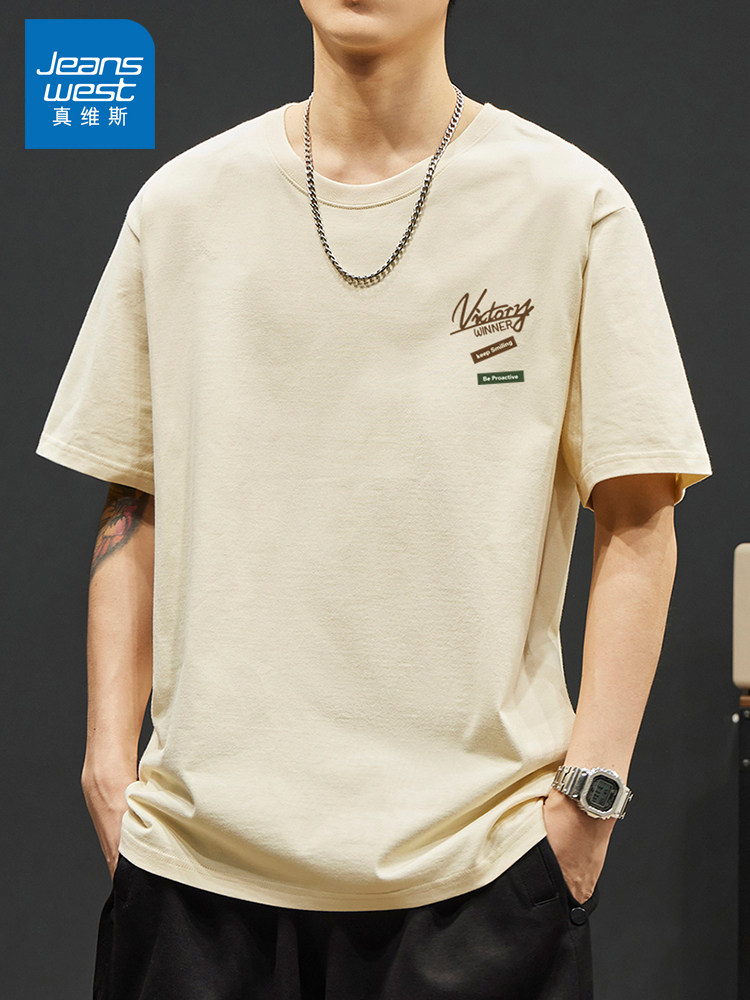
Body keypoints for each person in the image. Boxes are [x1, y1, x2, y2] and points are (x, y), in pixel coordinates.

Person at [35, 1, 713, 998]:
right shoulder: (182, 207)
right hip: (194, 877)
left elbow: (641, 517)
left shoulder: (569, 205)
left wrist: (588, 802)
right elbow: (134, 496)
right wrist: (108, 762)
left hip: (478, 876)